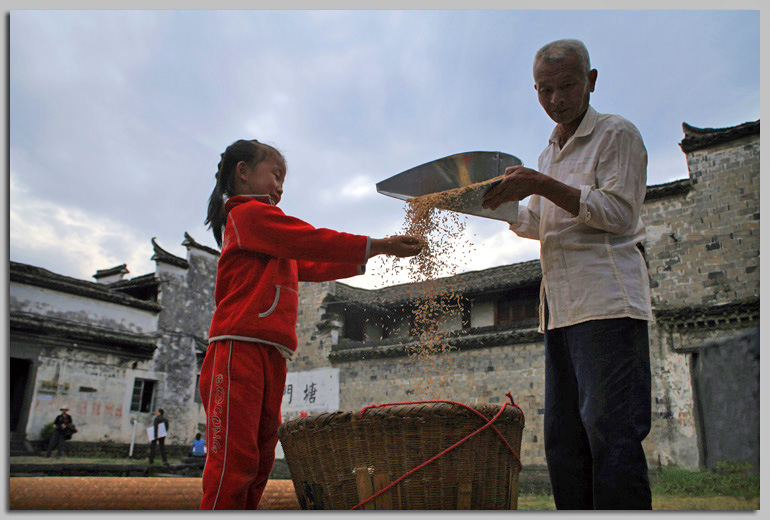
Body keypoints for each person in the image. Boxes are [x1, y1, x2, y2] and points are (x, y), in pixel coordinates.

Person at [199, 139, 422, 510]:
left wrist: (373, 253)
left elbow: (310, 262)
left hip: (271, 353)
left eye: (283, 180)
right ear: (243, 172)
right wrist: (377, 243)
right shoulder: (246, 215)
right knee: (232, 464)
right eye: (275, 175)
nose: (280, 187)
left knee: (260, 460)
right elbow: (309, 239)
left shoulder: (269, 233)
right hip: (237, 348)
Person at [482, 39, 653, 510]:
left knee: (610, 432)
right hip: (559, 311)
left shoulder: (617, 135)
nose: (556, 99)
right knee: (564, 439)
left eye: (567, 86)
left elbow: (618, 212)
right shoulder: (548, 154)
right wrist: (492, 206)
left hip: (607, 305)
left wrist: (540, 184)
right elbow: (540, 224)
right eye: (545, 89)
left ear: (591, 82)